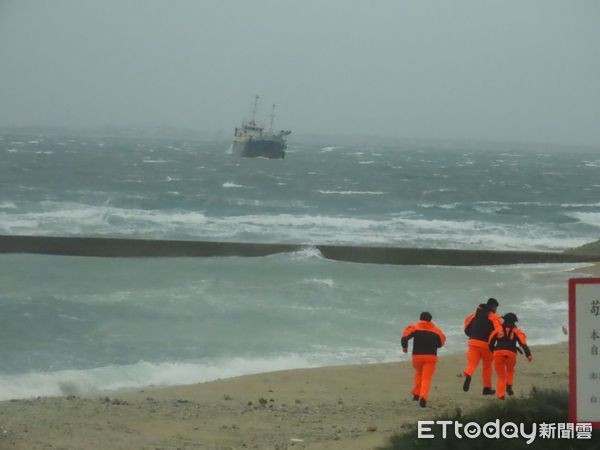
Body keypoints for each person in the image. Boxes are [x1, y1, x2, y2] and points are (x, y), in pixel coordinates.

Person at [401, 311, 446, 408]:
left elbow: (404, 338)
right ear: (430, 320)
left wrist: (405, 349)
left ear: (420, 318)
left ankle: (417, 394)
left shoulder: (414, 327)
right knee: (426, 378)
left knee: (418, 373)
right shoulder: (437, 330)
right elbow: (440, 344)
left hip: (417, 357)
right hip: (431, 357)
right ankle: (423, 397)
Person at [462, 297, 504, 395]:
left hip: (473, 342)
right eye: (496, 308)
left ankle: (468, 374)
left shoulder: (473, 315)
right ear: (493, 307)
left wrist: (472, 336)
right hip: (486, 345)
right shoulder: (493, 317)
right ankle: (486, 388)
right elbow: (499, 331)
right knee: (487, 366)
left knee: (472, 364)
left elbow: (466, 328)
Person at [488, 312, 532, 399]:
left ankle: (501, 395)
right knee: (510, 370)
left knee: (501, 376)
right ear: (514, 322)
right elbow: (523, 344)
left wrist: (493, 352)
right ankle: (509, 386)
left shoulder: (497, 330)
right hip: (511, 353)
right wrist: (528, 355)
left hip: (498, 353)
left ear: (504, 320)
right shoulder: (517, 331)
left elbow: (490, 344)